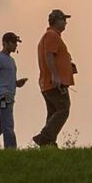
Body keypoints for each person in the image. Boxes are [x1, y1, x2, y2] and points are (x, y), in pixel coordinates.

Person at [34, 9, 78, 147]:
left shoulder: (51, 36)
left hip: (49, 83)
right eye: (63, 20)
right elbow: (49, 55)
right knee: (63, 109)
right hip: (55, 83)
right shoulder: (52, 35)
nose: (65, 23)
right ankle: (44, 138)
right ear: (56, 20)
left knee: (53, 113)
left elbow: (53, 56)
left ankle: (48, 144)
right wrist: (55, 75)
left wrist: (67, 65)